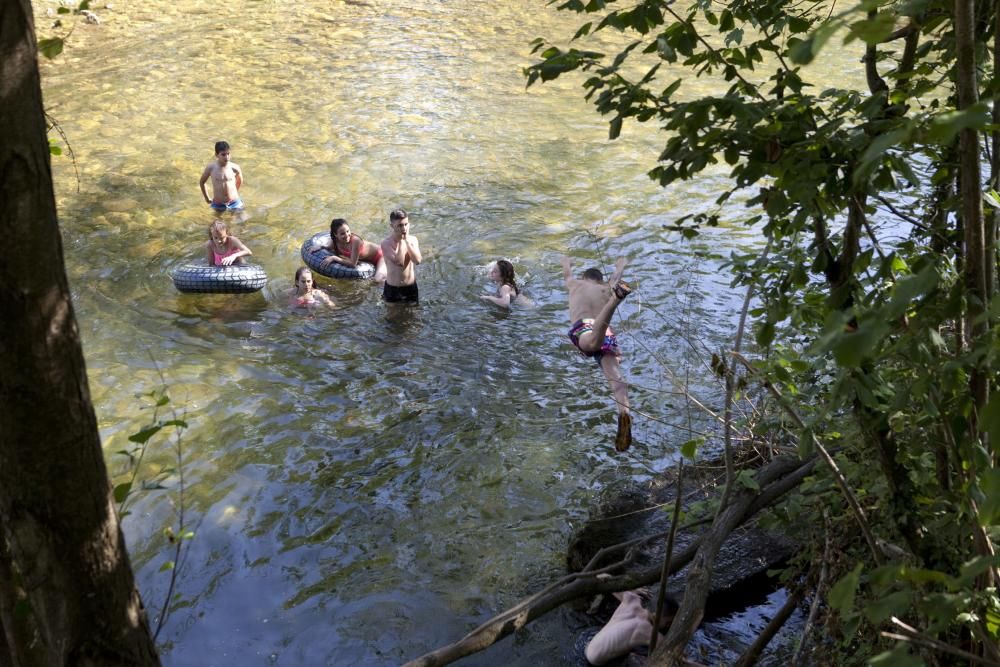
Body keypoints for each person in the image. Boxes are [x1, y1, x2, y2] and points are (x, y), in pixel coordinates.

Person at [563, 256, 633, 451]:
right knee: (617, 382)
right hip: (608, 336)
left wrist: (567, 262)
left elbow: (567, 273)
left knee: (591, 342)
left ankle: (615, 302)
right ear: (601, 280)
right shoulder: (606, 287)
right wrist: (621, 264)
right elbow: (616, 276)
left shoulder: (575, 284)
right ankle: (624, 412)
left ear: (584, 278)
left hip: (586, 329)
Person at [584, 587, 678, 666]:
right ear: (655, 615)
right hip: (597, 662)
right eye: (668, 622)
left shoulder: (631, 599)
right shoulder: (650, 633)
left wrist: (632, 588)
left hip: (588, 646)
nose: (669, 625)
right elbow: (674, 656)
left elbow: (603, 577)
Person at [315, 218, 388, 282]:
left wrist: (334, 258)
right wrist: (319, 247)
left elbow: (353, 264)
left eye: (348, 231)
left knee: (378, 280)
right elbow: (327, 247)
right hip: (369, 260)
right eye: (342, 233)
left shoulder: (355, 241)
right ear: (335, 235)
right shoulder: (335, 241)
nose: (347, 235)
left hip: (381, 256)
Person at [380, 209, 422, 303]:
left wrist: (407, 241)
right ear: (392, 226)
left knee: (413, 315)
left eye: (406, 224)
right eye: (400, 225)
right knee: (392, 316)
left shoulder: (413, 240)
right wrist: (402, 241)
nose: (404, 229)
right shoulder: (386, 243)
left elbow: (417, 261)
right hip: (393, 288)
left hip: (411, 287)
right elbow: (400, 262)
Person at [199, 140, 244, 211]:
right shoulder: (211, 168)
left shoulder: (235, 168)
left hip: (234, 202)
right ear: (216, 155)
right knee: (216, 222)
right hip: (218, 203)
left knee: (242, 220)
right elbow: (202, 182)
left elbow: (239, 181)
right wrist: (207, 198)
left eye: (228, 154)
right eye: (223, 154)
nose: (227, 157)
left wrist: (234, 192)